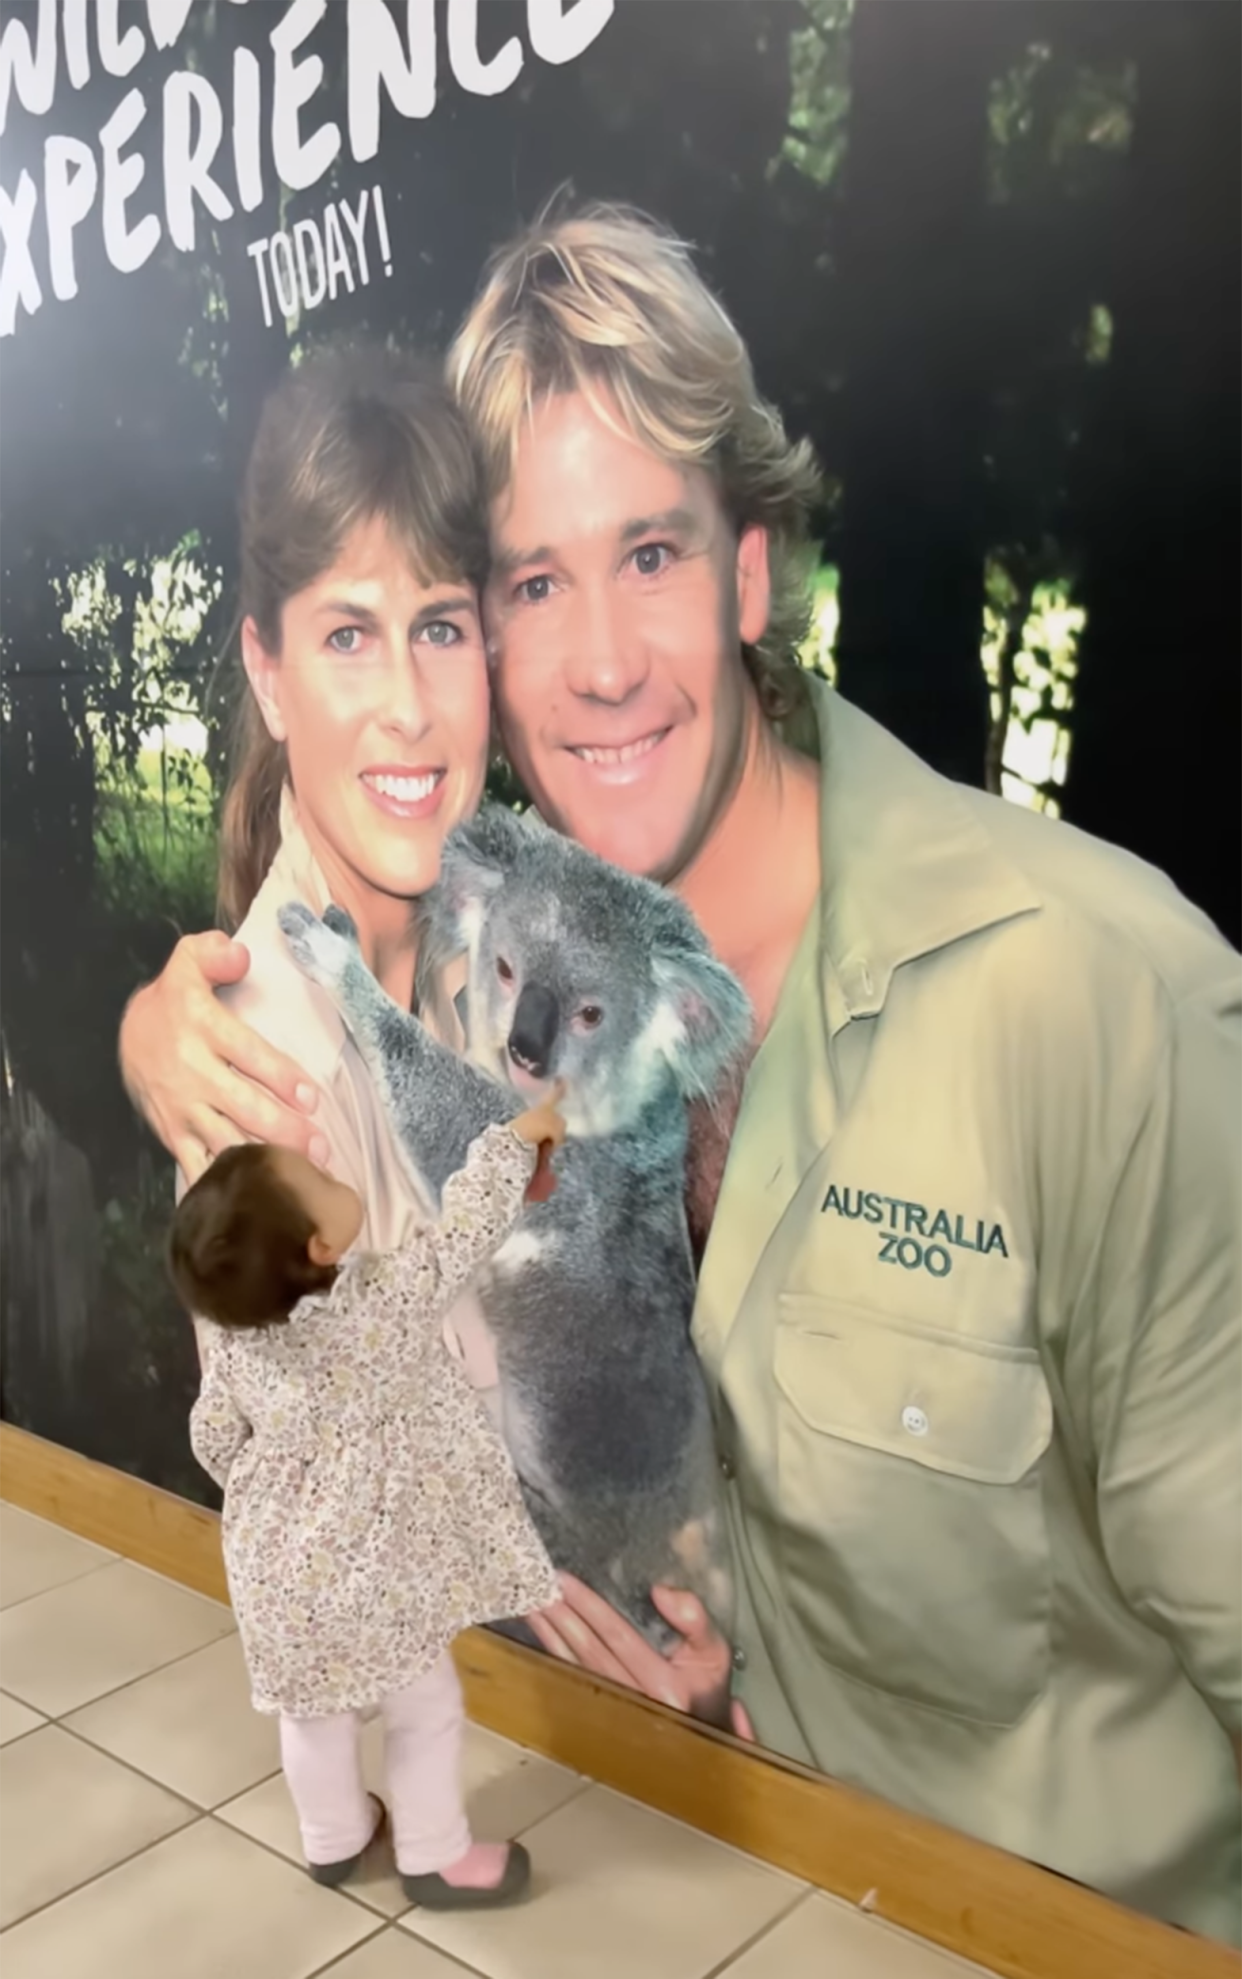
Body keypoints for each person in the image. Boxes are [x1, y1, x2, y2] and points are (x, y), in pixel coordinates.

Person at [118, 207, 1242, 1944]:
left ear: (745, 570)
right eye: (528, 587)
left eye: (647, 554)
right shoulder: (496, 963)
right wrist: (160, 1032)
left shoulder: (1095, 1000)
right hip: (708, 1870)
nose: (597, 663)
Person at [169, 1102, 565, 1903]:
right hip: (381, 1583)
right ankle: (434, 1855)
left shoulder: (239, 1343)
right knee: (426, 1706)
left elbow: (213, 1439)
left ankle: (335, 1837)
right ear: (320, 1248)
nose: (329, 1166)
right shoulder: (382, 1301)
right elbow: (464, 1229)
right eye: (317, 1177)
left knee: (314, 1714)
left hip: (279, 1586)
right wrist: (513, 1143)